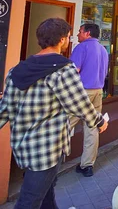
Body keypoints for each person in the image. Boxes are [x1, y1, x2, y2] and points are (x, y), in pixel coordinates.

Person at [0, 18, 108, 209]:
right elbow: (79, 104)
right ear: (62, 40)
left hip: (23, 147)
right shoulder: (62, 69)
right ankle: (87, 163)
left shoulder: (15, 71)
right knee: (30, 200)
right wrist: (99, 122)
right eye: (68, 36)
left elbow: (5, 110)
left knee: (46, 193)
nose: (70, 39)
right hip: (48, 148)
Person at [69, 23, 109, 177]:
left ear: (87, 33)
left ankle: (48, 163)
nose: (77, 34)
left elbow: (73, 71)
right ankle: (87, 165)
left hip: (81, 91)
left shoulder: (81, 48)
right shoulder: (103, 50)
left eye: (79, 31)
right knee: (92, 127)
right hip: (98, 91)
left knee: (65, 125)